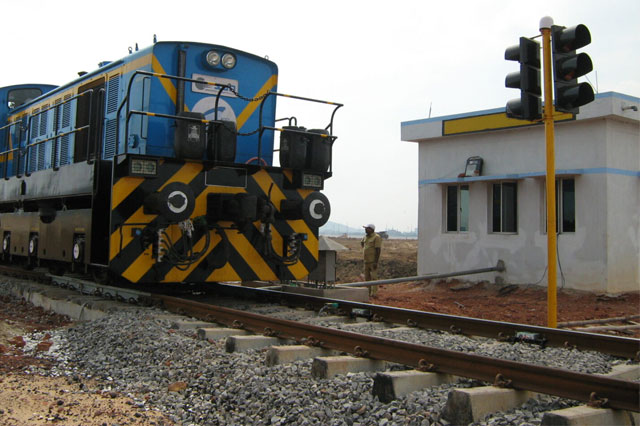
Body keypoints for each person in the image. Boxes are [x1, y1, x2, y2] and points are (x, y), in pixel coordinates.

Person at [361, 223, 382, 296]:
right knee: (367, 278)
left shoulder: (376, 237)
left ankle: (374, 293)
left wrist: (376, 262)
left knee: (374, 278)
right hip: (366, 261)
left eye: (367, 228)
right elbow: (362, 243)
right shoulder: (365, 237)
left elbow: (378, 250)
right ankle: (368, 292)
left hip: (372, 261)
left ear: (371, 229)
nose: (365, 229)